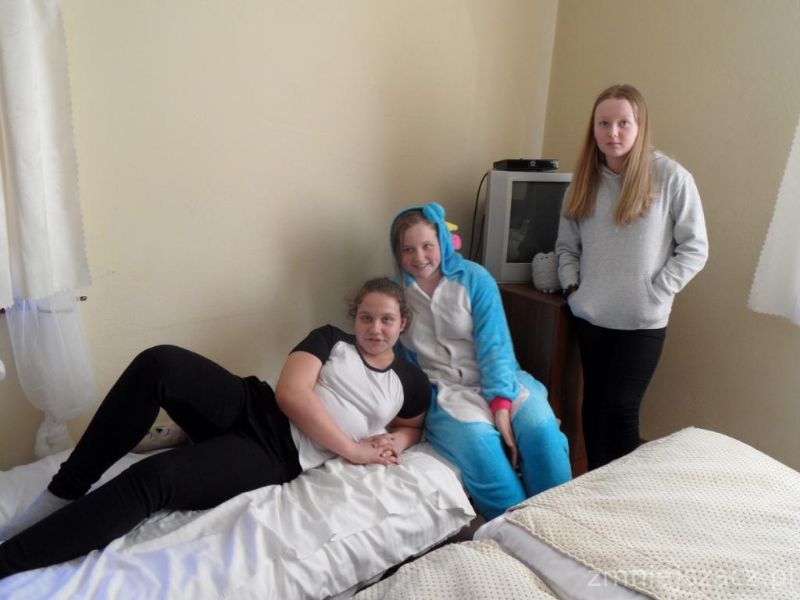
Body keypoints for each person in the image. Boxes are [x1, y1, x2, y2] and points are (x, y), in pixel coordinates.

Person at [0, 277, 430, 578]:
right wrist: (353, 450)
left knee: (155, 478)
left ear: (403, 323)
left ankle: (7, 560)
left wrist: (398, 439)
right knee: (160, 362)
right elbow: (291, 395)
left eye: (386, 320)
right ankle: (63, 492)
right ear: (355, 318)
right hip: (252, 403)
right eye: (366, 318)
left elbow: (412, 424)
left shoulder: (410, 381)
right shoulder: (331, 339)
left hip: (276, 454)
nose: (375, 329)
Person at [555, 84, 708, 470]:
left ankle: (622, 493)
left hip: (642, 320)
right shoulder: (583, 181)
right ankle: (595, 485)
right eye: (604, 123)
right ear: (593, 128)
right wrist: (573, 287)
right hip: (592, 316)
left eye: (624, 123)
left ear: (640, 126)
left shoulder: (671, 177)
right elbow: (566, 246)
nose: (613, 132)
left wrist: (658, 290)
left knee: (621, 408)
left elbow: (695, 248)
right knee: (593, 405)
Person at [390, 203, 572, 521]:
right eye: (408, 249)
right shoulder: (397, 297)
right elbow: (400, 361)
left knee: (540, 429)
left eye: (427, 246)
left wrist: (501, 403)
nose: (419, 257)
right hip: (444, 392)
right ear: (398, 253)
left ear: (443, 242)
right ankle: (514, 530)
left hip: (501, 377)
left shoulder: (475, 278)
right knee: (479, 445)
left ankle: (562, 519)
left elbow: (495, 346)